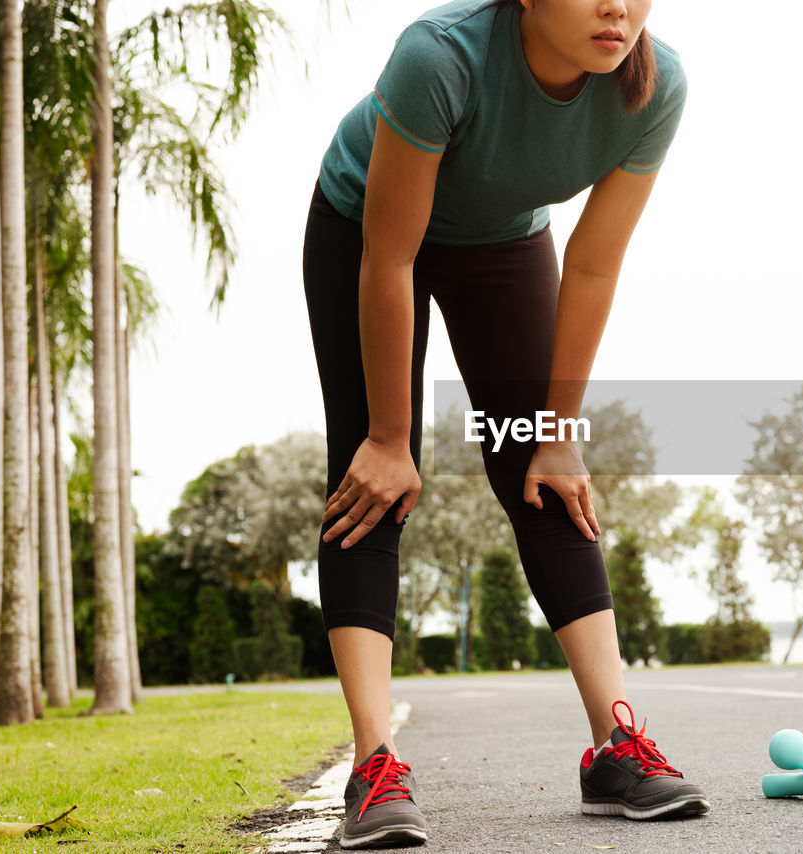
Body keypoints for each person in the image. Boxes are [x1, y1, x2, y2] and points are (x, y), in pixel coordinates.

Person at [301, 0, 706, 847]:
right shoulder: (439, 57)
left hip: (504, 243)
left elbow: (593, 265)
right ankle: (374, 764)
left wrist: (558, 432)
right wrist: (388, 437)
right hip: (366, 232)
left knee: (544, 470)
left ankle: (617, 743)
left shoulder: (655, 84)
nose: (618, 6)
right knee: (372, 475)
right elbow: (393, 256)